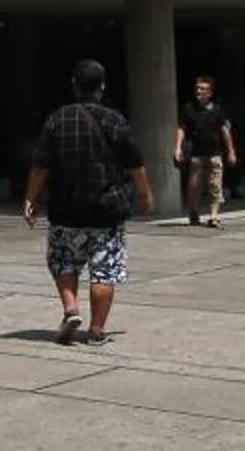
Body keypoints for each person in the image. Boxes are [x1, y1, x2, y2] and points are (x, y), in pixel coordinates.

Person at [22, 59, 154, 343]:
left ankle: (71, 309)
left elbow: (41, 164)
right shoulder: (115, 120)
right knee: (104, 269)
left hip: (65, 207)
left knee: (62, 261)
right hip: (106, 209)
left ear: (74, 85)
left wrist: (30, 198)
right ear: (102, 87)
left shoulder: (58, 119)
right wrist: (144, 196)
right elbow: (135, 163)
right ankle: (96, 329)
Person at [175, 74, 237, 227]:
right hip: (196, 154)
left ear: (209, 93)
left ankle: (213, 216)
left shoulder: (217, 111)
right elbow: (181, 129)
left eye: (202, 89)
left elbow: (225, 132)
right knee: (194, 187)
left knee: (215, 185)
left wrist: (231, 151)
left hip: (214, 154)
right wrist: (177, 148)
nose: (198, 91)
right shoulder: (188, 109)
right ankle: (194, 212)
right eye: (197, 88)